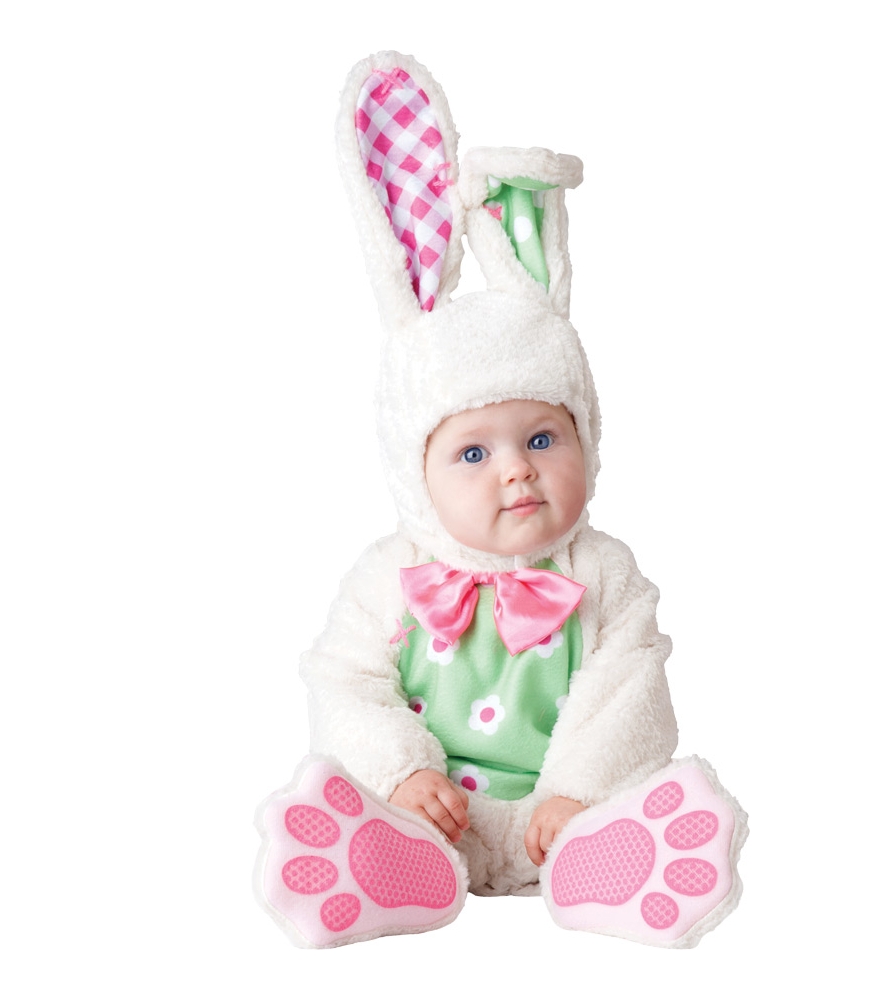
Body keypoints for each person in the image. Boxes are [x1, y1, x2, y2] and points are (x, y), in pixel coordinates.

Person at [255, 50, 745, 950]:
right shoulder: (388, 576)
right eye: (474, 452)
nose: (516, 472)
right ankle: (388, 862)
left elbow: (628, 685)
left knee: (626, 781)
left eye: (544, 440)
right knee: (363, 785)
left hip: (560, 818)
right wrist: (400, 774)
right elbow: (344, 683)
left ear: (588, 437)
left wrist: (577, 789)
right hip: (431, 814)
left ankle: (607, 862)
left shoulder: (603, 572)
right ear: (415, 470)